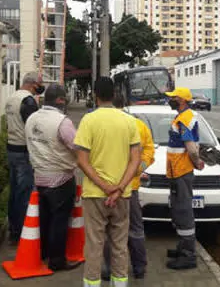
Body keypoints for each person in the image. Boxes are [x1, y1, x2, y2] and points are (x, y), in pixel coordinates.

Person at [74, 77, 141, 287]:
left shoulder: (88, 121)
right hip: (123, 196)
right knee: (120, 246)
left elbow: (82, 161)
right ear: (114, 95)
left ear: (95, 95)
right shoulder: (129, 121)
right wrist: (119, 188)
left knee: (94, 246)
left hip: (95, 195)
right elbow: (136, 160)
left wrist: (105, 187)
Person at [24, 84, 80, 271]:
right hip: (61, 179)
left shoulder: (32, 118)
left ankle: (44, 253)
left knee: (45, 217)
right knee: (60, 221)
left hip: (39, 177)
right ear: (60, 101)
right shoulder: (62, 122)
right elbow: (77, 146)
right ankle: (57, 261)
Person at [102, 96, 155, 281]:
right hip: (129, 187)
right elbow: (149, 151)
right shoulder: (138, 125)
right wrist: (138, 170)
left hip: (106, 187)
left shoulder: (98, 123)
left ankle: (108, 269)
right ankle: (139, 268)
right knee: (135, 228)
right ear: (123, 105)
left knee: (109, 230)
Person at [165, 87, 205, 270]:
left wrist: (197, 162)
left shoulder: (184, 119)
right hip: (178, 171)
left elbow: (191, 148)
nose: (170, 100)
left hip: (181, 172)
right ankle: (183, 248)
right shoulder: (182, 117)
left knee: (183, 211)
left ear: (181, 100)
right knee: (179, 210)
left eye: (173, 98)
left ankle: (188, 255)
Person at [5, 71, 44, 244]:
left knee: (14, 191)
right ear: (32, 83)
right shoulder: (28, 101)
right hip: (23, 151)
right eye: (39, 84)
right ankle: (21, 232)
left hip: (11, 148)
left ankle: (13, 228)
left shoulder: (12, 98)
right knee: (24, 193)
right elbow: (34, 128)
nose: (40, 88)